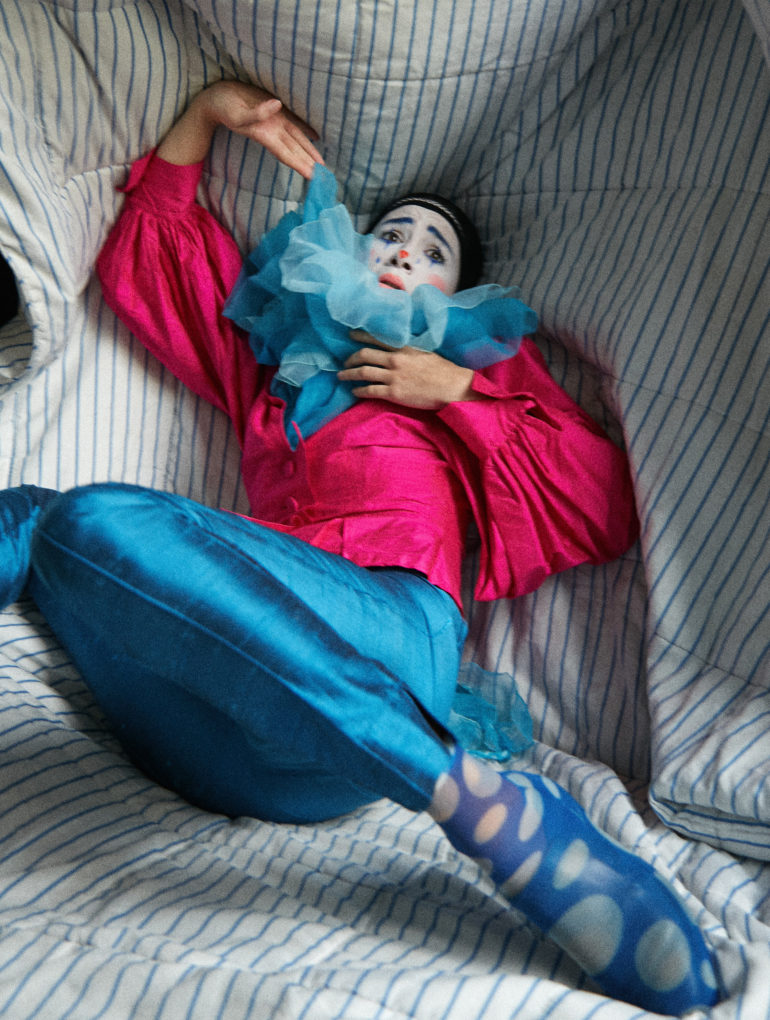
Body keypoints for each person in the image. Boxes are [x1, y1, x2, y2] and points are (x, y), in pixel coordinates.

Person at [0, 80, 719, 1013]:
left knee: (93, 522)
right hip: (206, 736)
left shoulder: (483, 378)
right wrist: (207, 113)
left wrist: (457, 395)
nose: (404, 251)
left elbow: (601, 507)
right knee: (48, 521)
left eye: (433, 252)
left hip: (383, 653)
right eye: (390, 235)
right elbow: (155, 258)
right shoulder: (280, 362)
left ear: (456, 293)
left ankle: (480, 808)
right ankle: (458, 785)